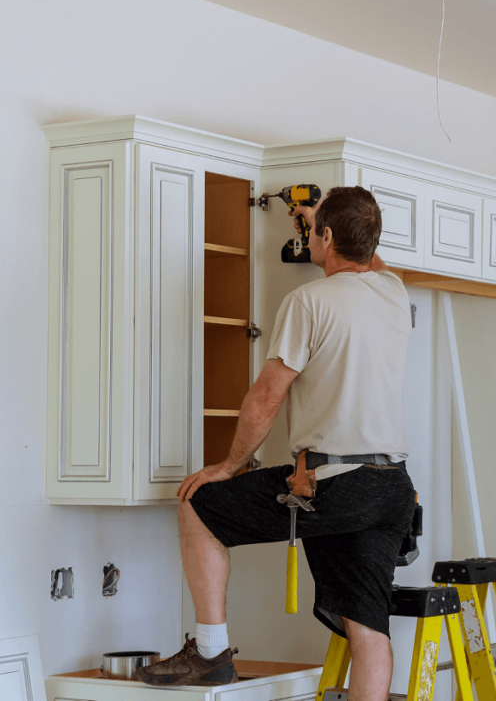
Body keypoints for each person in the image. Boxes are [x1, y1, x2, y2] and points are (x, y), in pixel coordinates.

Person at [137, 186, 415, 700]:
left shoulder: (307, 301)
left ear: (327, 236)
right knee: (369, 629)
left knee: (199, 505)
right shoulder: (394, 291)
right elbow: (367, 255)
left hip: (335, 483)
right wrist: (325, 221)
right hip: (392, 488)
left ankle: (211, 653)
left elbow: (267, 396)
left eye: (315, 231)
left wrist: (230, 464)